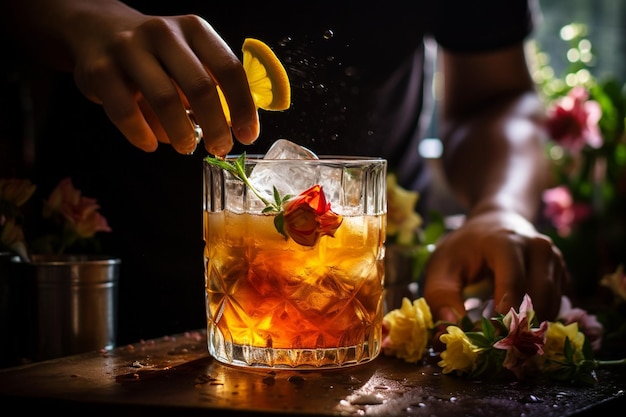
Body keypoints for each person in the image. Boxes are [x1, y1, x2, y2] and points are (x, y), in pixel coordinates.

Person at [1, 0, 567, 344]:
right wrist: (76, 18)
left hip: (363, 312)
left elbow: (497, 96)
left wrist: (501, 207)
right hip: (92, 299)